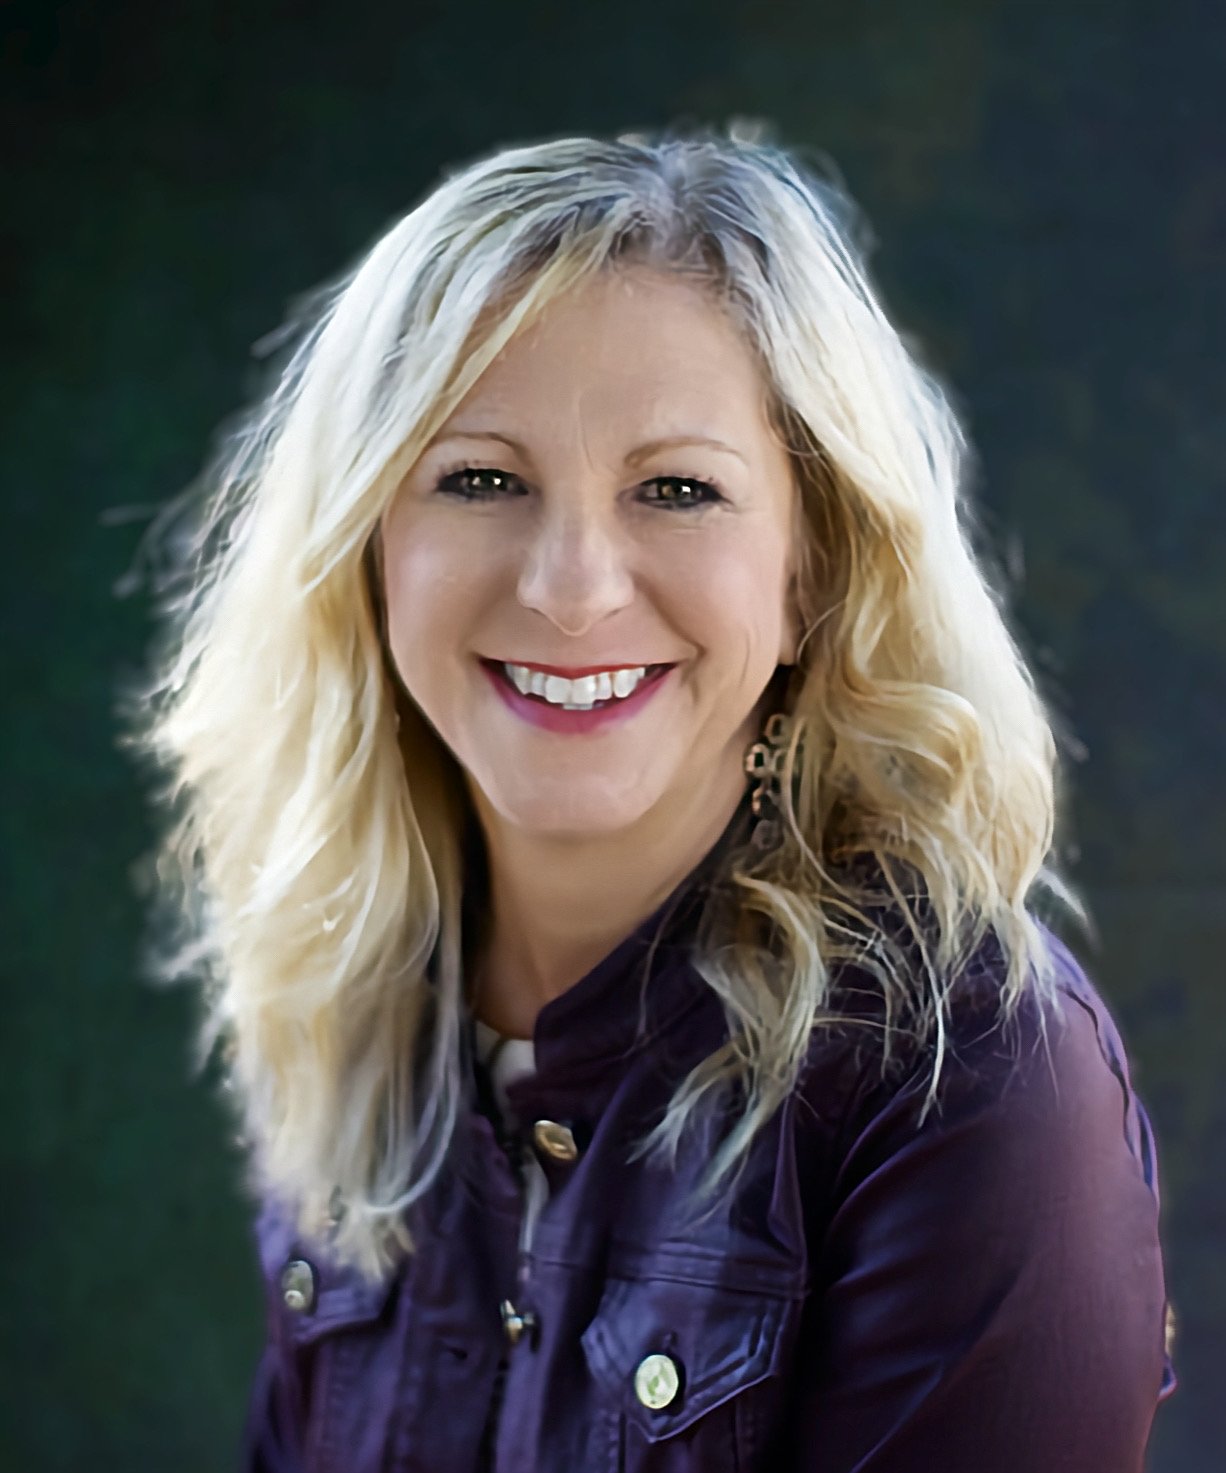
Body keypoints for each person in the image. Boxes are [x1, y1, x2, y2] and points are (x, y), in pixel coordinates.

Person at [122, 120, 1177, 1472]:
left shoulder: (968, 1072)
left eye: (677, 489)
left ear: (810, 577)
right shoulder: (362, 1013)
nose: (571, 586)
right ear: (366, 552)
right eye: (480, 478)